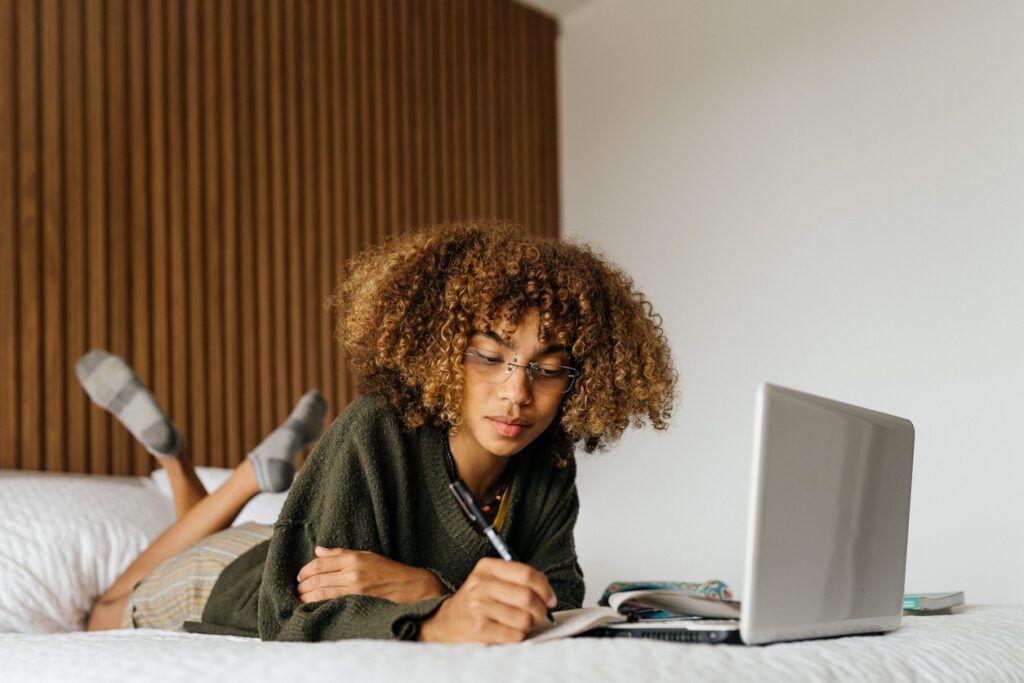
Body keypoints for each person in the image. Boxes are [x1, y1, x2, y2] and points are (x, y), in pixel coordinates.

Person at [84, 220, 677, 644]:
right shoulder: (376, 429)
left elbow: (557, 603)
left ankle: (184, 465)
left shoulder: (547, 462)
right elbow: (291, 616)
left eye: (548, 368)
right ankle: (215, 472)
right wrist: (437, 611)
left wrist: (423, 585)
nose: (518, 393)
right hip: (230, 580)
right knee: (102, 613)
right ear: (441, 352)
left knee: (201, 539)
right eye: (488, 357)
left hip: (286, 541)